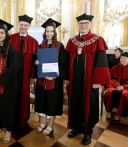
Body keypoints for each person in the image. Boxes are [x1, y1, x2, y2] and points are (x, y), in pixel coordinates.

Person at [65, 13, 110, 145]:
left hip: (90, 81)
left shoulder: (97, 40)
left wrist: (98, 80)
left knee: (89, 105)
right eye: (81, 23)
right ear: (78, 25)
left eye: (86, 23)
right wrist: (67, 77)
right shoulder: (72, 41)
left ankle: (87, 131)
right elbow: (68, 62)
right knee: (74, 102)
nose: (83, 25)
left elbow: (102, 62)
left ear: (90, 24)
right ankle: (75, 127)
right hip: (74, 80)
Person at [34, 18, 67, 135]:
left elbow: (63, 63)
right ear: (44, 32)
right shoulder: (41, 45)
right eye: (47, 31)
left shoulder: (59, 45)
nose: (49, 33)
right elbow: (36, 60)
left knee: (52, 101)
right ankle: (43, 122)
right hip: (42, 79)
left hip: (54, 80)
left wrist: (54, 76)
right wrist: (36, 62)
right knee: (42, 100)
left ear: (54, 33)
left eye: (51, 31)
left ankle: (51, 125)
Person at [10, 14, 39, 129]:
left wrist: (33, 75)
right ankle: (11, 120)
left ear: (29, 26)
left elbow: (35, 60)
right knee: (12, 97)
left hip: (26, 76)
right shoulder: (10, 38)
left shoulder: (33, 41)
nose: (23, 27)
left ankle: (23, 121)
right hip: (12, 75)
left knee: (24, 97)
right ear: (18, 25)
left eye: (25, 25)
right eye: (21, 24)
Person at [105, 52, 128, 123]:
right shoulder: (115, 68)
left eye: (125, 58)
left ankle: (118, 114)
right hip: (114, 85)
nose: (122, 60)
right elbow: (110, 78)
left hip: (126, 87)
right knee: (109, 92)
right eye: (121, 58)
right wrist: (117, 85)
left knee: (124, 95)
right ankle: (108, 112)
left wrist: (123, 86)